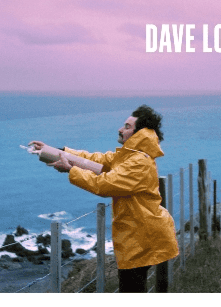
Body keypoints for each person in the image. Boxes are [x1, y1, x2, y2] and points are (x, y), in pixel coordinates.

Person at [28, 105, 179, 293]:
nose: (120, 129)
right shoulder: (130, 156)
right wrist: (57, 151)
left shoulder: (138, 163)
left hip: (141, 237)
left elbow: (104, 185)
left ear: (140, 133)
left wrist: (70, 170)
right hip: (139, 234)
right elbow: (96, 159)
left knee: (132, 290)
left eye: (126, 126)